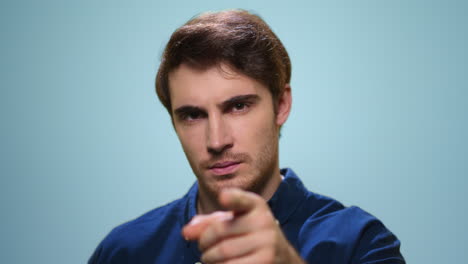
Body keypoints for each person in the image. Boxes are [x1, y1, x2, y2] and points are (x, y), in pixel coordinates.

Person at [89, 9, 405, 264]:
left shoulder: (359, 243)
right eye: (193, 115)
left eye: (238, 106)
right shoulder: (124, 251)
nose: (216, 141)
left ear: (281, 105)